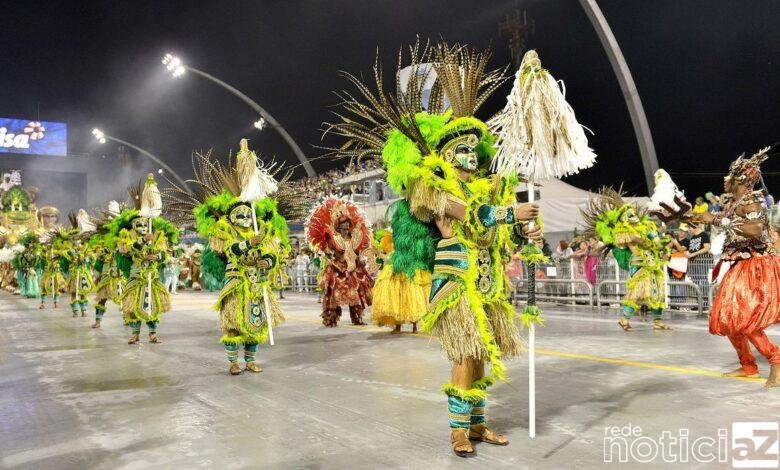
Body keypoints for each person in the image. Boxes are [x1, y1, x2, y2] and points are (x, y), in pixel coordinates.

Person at [324, 41, 542, 457]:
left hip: (487, 283)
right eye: (461, 149)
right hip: (456, 282)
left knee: (481, 356)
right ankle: (458, 431)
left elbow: (492, 234)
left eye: (474, 150)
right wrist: (509, 215)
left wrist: (522, 236)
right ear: (444, 153)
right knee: (464, 354)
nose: (470, 156)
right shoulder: (434, 189)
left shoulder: (486, 188)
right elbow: (470, 217)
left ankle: (477, 425)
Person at [164, 140, 288, 375]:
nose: (243, 217)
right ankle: (233, 362)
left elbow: (273, 253)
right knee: (233, 324)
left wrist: (267, 261)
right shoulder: (225, 232)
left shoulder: (262, 230)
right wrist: (249, 243)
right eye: (237, 214)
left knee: (256, 323)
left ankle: (250, 361)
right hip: (235, 283)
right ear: (230, 218)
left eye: (245, 213)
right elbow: (230, 250)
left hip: (256, 283)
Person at [692, 147, 779, 387]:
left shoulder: (752, 199)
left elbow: (755, 230)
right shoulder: (735, 203)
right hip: (740, 265)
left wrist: (718, 219)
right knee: (728, 318)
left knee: (744, 320)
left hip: (756, 266)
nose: (724, 179)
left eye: (729, 175)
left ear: (741, 179)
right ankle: (748, 366)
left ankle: (776, 360)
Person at [584, 188, 672, 331]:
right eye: (629, 214)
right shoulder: (624, 232)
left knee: (658, 291)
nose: (634, 215)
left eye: (634, 213)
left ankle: (657, 321)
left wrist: (662, 247)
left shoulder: (647, 227)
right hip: (638, 264)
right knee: (637, 292)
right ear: (623, 218)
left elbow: (656, 243)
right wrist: (640, 239)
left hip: (653, 263)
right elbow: (632, 244)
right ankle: (624, 319)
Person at [116, 175, 179, 344]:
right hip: (136, 276)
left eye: (145, 224)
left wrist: (155, 255)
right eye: (139, 225)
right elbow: (127, 250)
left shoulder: (157, 235)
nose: (143, 227)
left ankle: (153, 334)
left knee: (153, 305)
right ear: (133, 226)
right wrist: (143, 241)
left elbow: (165, 255)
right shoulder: (127, 236)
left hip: (152, 276)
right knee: (134, 305)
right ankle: (135, 334)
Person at [306, 197, 374, 327]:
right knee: (333, 296)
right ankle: (331, 319)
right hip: (337, 270)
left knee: (356, 295)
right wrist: (335, 264)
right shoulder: (333, 239)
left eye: (347, 227)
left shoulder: (354, 238)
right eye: (343, 227)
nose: (346, 229)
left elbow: (357, 253)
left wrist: (360, 261)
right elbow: (328, 254)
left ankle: (357, 318)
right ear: (338, 227)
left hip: (351, 269)